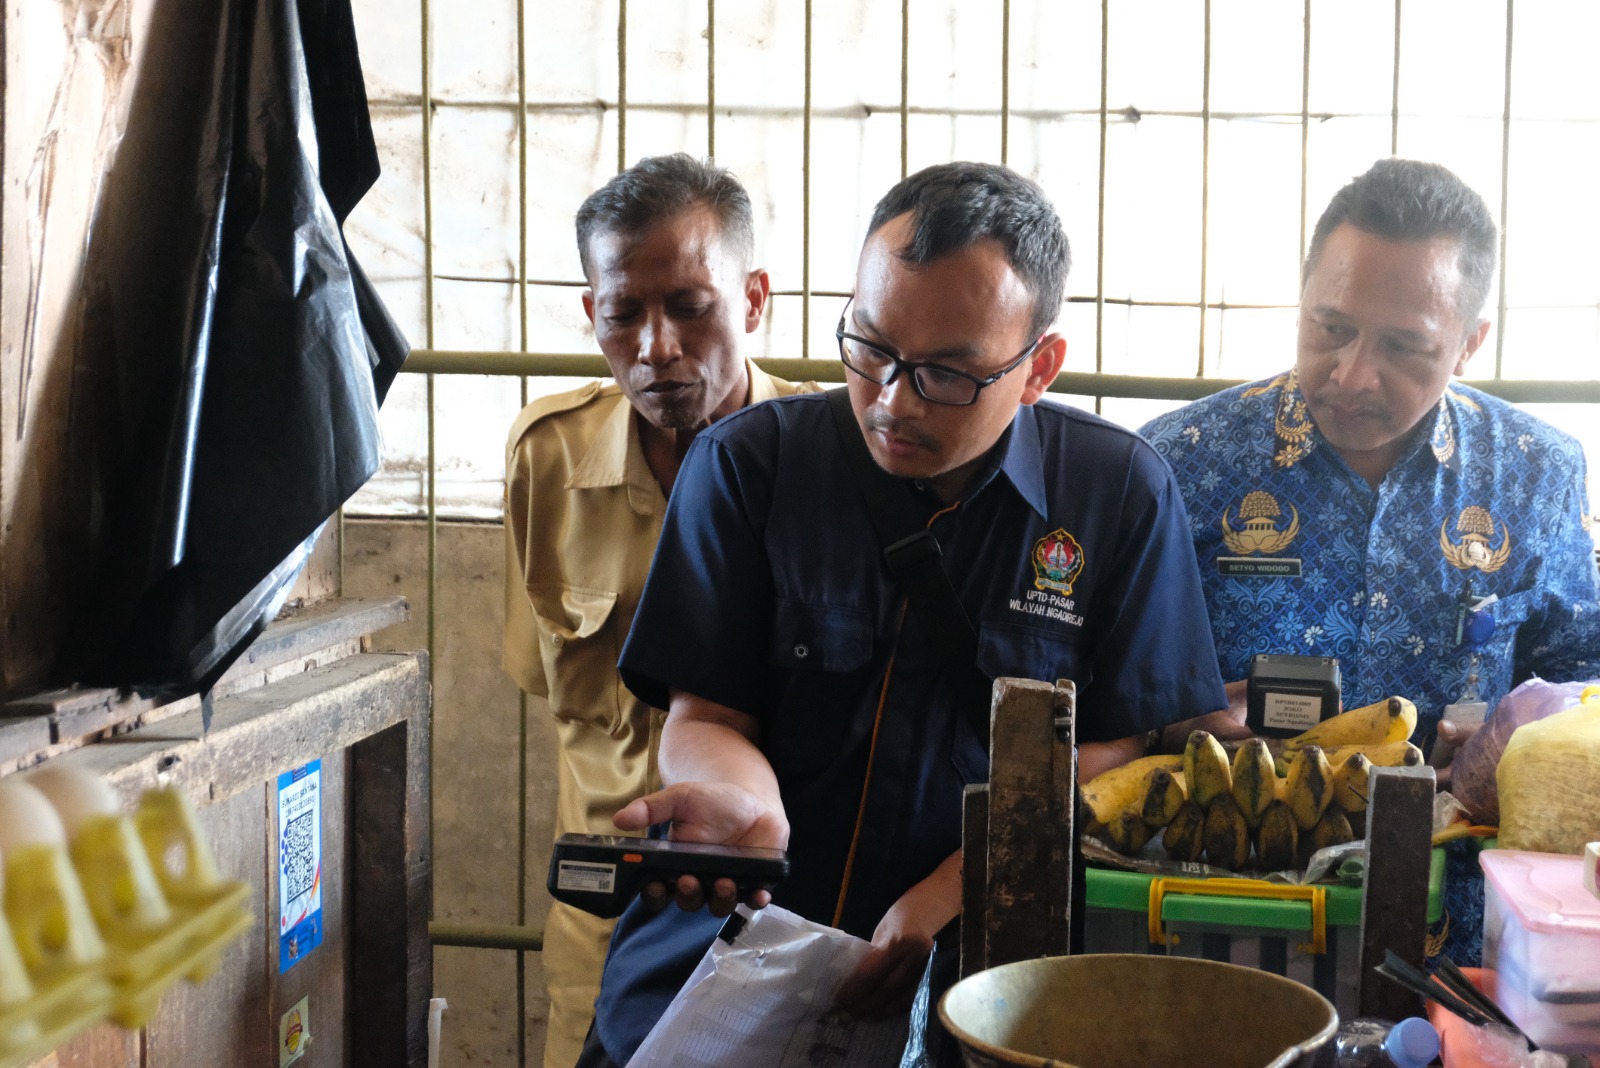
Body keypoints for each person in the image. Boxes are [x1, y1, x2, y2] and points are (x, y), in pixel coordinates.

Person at [578, 161, 1228, 1066]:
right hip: (737, 949)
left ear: (1038, 366)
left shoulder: (1117, 495)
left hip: (977, 978)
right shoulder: (746, 468)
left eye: (947, 375)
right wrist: (746, 806)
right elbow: (705, 715)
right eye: (871, 348)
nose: (891, 401)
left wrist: (955, 887)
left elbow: (1114, 751)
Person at [1140, 157, 1600, 961]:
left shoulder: (1538, 475)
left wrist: (1508, 745)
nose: (1353, 374)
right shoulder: (1179, 461)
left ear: (1469, 344)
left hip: (1460, 933)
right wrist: (1177, 718)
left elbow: (1583, 688)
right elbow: (1102, 691)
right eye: (1331, 328)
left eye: (1404, 346)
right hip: (1218, 909)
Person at [501, 153, 813, 1068]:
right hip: (602, 899)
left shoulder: (826, 468)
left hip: (766, 900)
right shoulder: (545, 462)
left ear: (753, 300)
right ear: (588, 310)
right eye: (622, 313)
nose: (655, 347)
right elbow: (542, 675)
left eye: (689, 306)